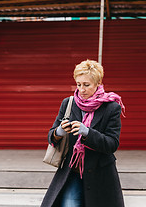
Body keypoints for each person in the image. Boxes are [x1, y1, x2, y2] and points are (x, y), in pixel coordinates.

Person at [41, 59, 125, 207]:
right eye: (78, 84)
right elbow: (51, 136)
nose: (82, 89)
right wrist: (59, 131)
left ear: (98, 83)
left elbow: (112, 144)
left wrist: (87, 133)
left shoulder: (111, 108)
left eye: (86, 85)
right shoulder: (68, 103)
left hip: (100, 175)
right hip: (71, 171)